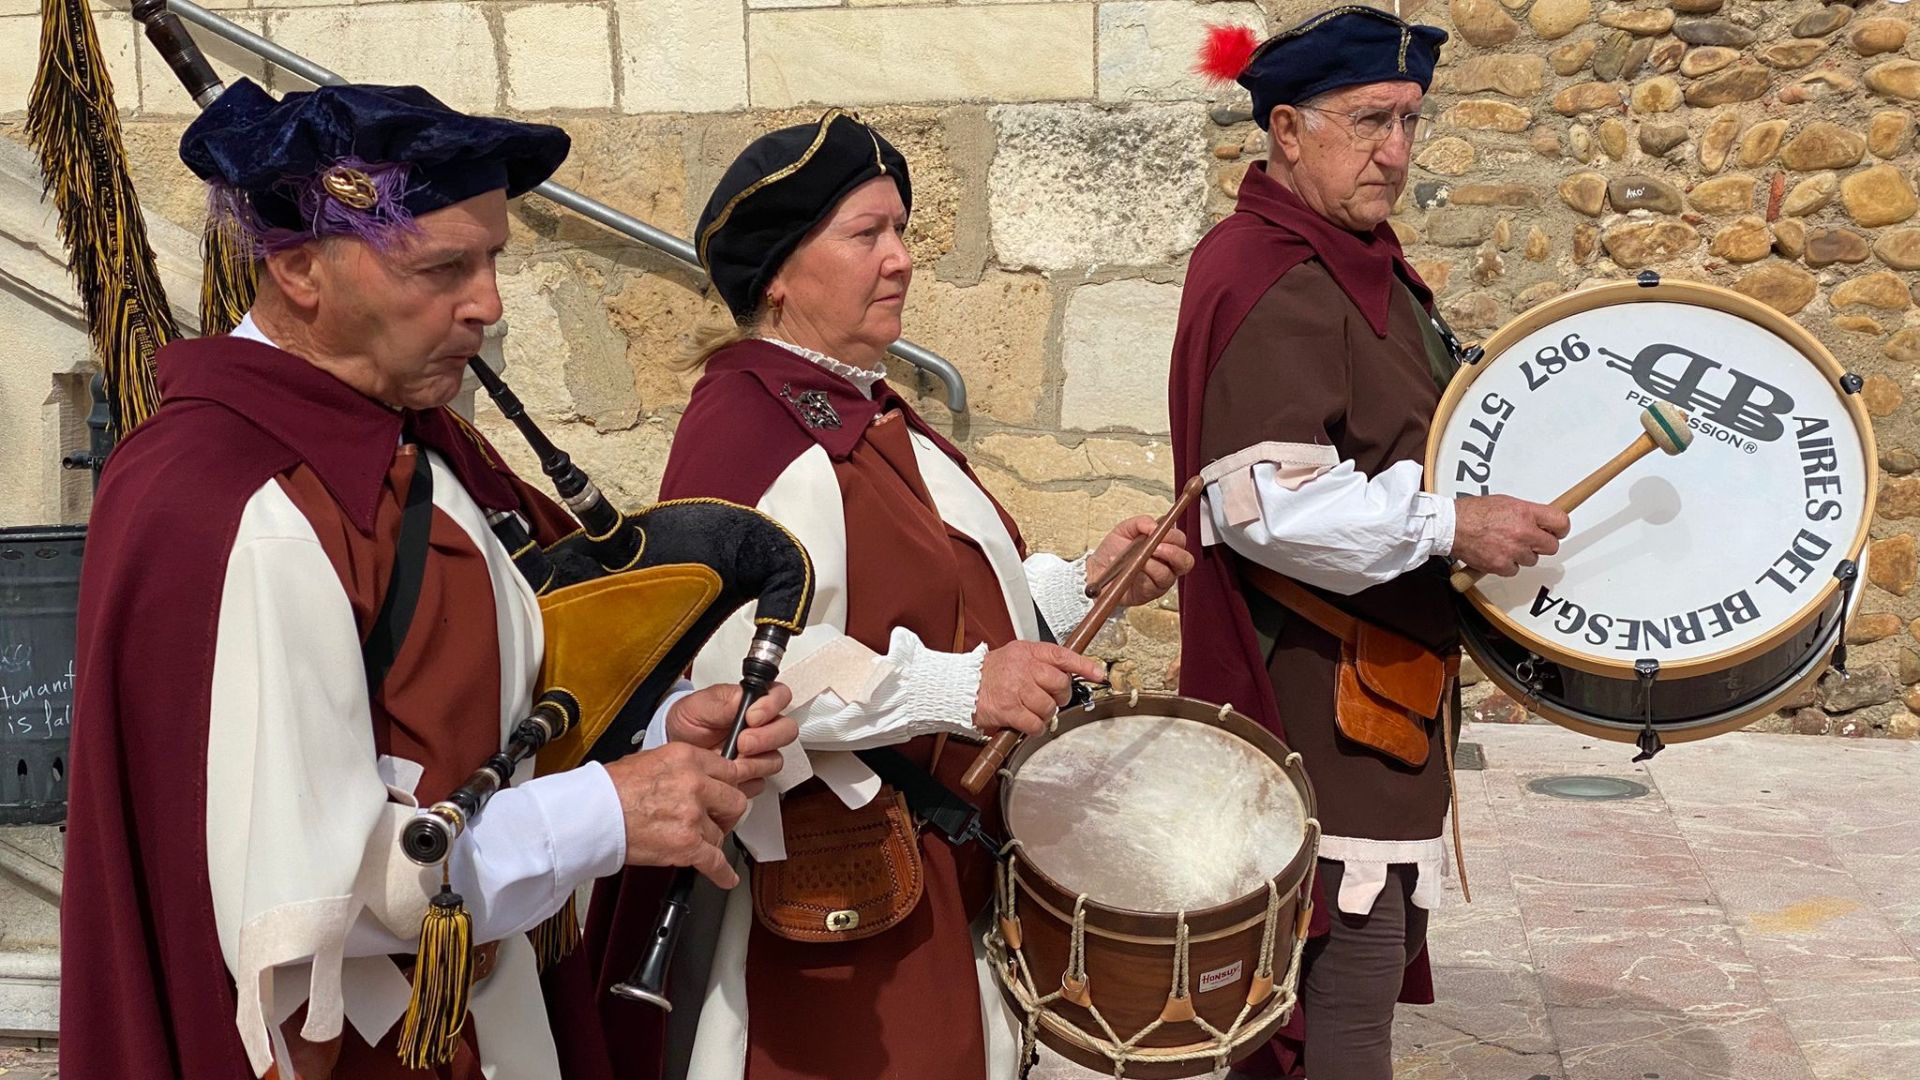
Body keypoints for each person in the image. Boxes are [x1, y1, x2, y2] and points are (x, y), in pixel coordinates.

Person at [59, 79, 795, 1080]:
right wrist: (600, 814)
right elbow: (309, 895)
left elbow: (468, 714)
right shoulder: (235, 504)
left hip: (482, 1024)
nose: (487, 303)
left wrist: (659, 733)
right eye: (445, 266)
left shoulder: (420, 448)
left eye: (492, 257)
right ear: (302, 268)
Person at [585, 109, 1193, 1080]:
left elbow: (946, 602)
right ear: (778, 275)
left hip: (937, 866)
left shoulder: (866, 406)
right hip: (835, 893)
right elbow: (739, 668)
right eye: (867, 234)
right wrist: (962, 691)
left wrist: (1079, 584)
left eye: (902, 231)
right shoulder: (746, 426)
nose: (902, 258)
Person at [1171, 9, 1570, 1080]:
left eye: (1408, 121)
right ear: (1288, 129)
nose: (1395, 150)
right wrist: (1454, 522)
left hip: (1376, 700)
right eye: (1368, 121)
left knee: (1348, 1001)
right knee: (1331, 1019)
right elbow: (1269, 506)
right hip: (1315, 708)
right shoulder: (1270, 271)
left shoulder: (1356, 263)